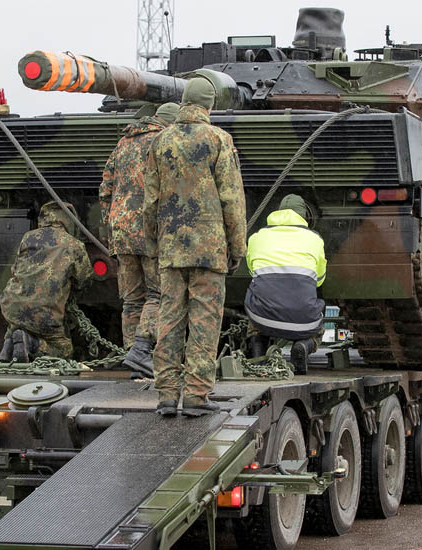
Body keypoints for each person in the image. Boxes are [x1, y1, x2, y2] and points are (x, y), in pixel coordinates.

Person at [144, 77, 246, 417]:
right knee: (204, 319)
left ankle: (166, 395)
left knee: (170, 319)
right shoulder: (219, 139)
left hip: (171, 248)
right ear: (210, 105)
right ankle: (197, 394)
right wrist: (237, 247)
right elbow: (231, 199)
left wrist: (153, 243)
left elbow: (150, 200)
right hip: (208, 248)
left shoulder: (161, 141)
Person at [99, 102, 180, 375]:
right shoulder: (164, 142)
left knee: (133, 299)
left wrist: (110, 223)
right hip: (150, 230)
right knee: (158, 294)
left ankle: (134, 360)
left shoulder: (124, 143)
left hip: (121, 230)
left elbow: (106, 187)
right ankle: (142, 351)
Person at [0, 201, 93, 362]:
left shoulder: (28, 238)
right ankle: (33, 344)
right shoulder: (74, 245)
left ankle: (10, 343)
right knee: (63, 350)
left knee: (19, 323)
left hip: (11, 306)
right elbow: (85, 280)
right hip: (45, 313)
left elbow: (15, 270)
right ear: (69, 220)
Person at [244, 194, 326, 374]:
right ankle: (305, 345)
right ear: (304, 216)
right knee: (318, 308)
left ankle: (258, 353)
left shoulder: (257, 237)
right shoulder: (315, 239)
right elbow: (319, 279)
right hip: (304, 321)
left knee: (257, 292)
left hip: (262, 317)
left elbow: (253, 272)